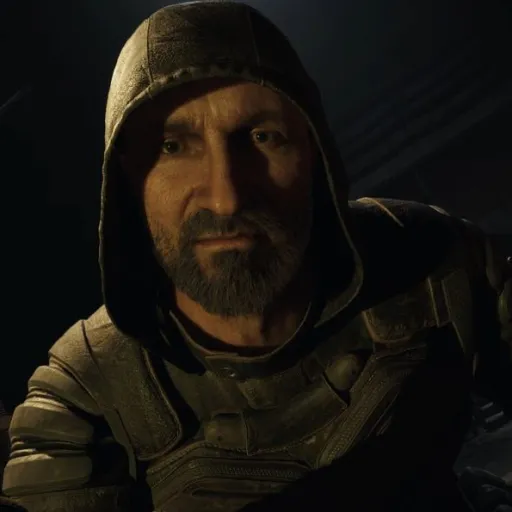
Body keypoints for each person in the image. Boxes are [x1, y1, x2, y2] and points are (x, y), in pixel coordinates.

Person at [2, 1, 512, 511]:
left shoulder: (431, 258)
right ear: (128, 184)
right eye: (172, 146)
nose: (226, 198)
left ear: (315, 157)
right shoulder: (85, 401)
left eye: (263, 137)